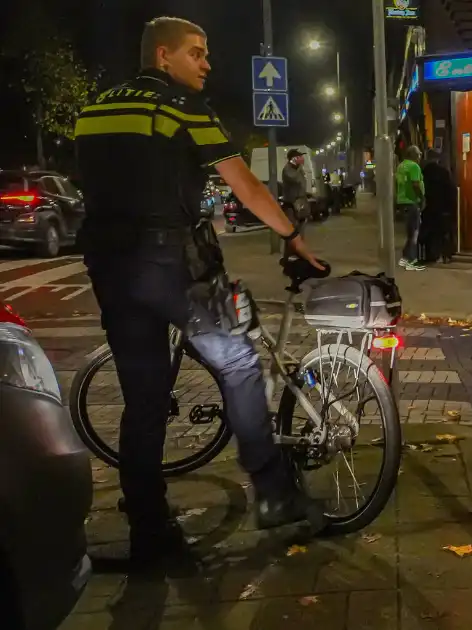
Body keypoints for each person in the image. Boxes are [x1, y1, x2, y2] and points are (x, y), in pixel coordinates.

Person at [73, 16, 327, 571]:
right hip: (170, 266)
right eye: (197, 54)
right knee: (237, 363)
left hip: (109, 267)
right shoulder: (178, 107)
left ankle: (150, 535)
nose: (207, 64)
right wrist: (291, 236)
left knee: (142, 402)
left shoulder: (93, 111)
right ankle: (274, 491)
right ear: (163, 57)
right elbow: (246, 184)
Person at [421, 149, 456, 263]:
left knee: (431, 231)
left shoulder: (424, 171)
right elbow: (450, 190)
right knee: (443, 232)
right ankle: (445, 255)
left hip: (430, 206)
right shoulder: (444, 172)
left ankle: (431, 254)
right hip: (443, 206)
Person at [396, 145, 426, 271]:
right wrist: (422, 198)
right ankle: (412, 261)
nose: (420, 157)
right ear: (414, 155)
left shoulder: (401, 166)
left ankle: (405, 258)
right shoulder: (414, 166)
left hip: (402, 200)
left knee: (409, 231)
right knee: (414, 232)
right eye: (419, 154)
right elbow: (415, 184)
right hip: (412, 201)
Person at [281, 149, 309, 223]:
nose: (302, 159)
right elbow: (296, 179)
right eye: (299, 157)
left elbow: (302, 182)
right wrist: (299, 168)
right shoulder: (287, 169)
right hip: (291, 203)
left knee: (302, 221)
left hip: (300, 200)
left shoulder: (298, 168)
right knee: (293, 225)